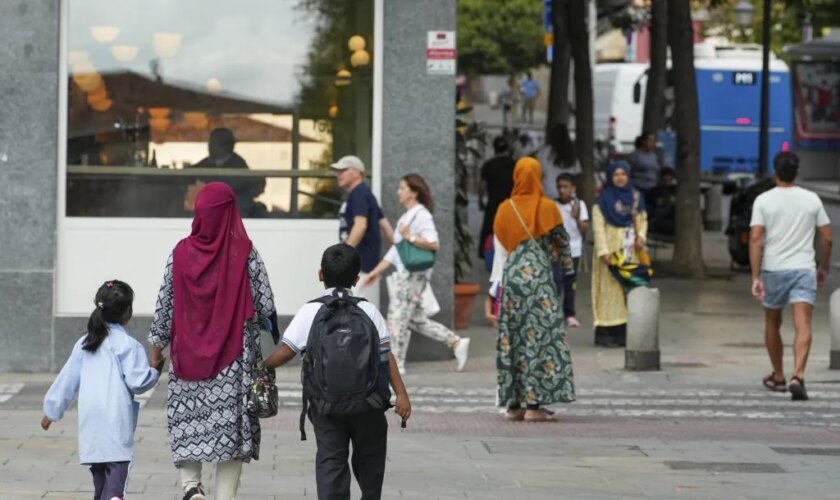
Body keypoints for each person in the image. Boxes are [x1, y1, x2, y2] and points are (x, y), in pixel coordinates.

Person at [148, 182, 276, 500]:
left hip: (186, 358)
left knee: (188, 420)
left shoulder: (180, 253)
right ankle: (224, 495)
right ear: (231, 212)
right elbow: (266, 306)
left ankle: (191, 487)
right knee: (230, 431)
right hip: (233, 359)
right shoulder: (246, 253)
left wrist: (155, 351)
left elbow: (164, 306)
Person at [264, 243, 411, 500]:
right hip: (370, 404)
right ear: (357, 278)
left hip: (325, 404)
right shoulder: (369, 310)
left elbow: (286, 351)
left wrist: (262, 366)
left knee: (331, 460)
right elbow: (386, 357)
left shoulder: (310, 311)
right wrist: (401, 394)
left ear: (320, 274)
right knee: (370, 461)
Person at [42, 280, 162, 500]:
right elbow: (139, 381)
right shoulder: (128, 345)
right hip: (115, 422)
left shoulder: (84, 343)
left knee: (100, 487)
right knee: (116, 487)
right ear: (128, 311)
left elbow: (67, 380)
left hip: (91, 425)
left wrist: (52, 411)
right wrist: (155, 369)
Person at [490, 157, 576, 422]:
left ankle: (514, 405)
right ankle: (534, 405)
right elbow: (562, 243)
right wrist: (568, 270)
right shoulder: (547, 207)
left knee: (513, 337)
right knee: (540, 339)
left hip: (513, 277)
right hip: (538, 280)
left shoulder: (504, 209)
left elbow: (502, 244)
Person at [364, 174, 471, 375]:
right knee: (415, 319)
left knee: (396, 318)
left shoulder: (421, 215)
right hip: (406, 275)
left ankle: (395, 366)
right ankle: (456, 342)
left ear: (413, 192)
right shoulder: (407, 216)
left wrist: (410, 237)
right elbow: (395, 251)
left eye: (402, 188)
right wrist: (376, 272)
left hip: (413, 276)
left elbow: (433, 243)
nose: (398, 192)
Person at [750, 152, 832, 401]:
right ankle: (798, 375)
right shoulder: (812, 199)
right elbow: (827, 237)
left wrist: (755, 276)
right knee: (803, 324)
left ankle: (778, 375)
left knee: (772, 323)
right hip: (803, 268)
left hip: (774, 269)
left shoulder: (763, 200)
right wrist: (823, 266)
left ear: (775, 172)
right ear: (796, 172)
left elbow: (755, 238)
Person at [591, 161, 648, 348]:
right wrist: (603, 251)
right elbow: (598, 229)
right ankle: (607, 334)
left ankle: (626, 334)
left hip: (631, 253)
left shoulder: (636, 198)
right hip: (610, 254)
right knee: (609, 293)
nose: (620, 178)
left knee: (628, 291)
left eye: (623, 173)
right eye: (616, 174)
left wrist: (641, 236)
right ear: (610, 177)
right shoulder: (602, 201)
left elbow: (642, 219)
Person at [332, 155, 394, 303]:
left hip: (359, 263)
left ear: (356, 172)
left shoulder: (359, 193)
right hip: (366, 264)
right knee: (361, 306)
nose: (338, 175)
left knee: (353, 306)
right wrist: (396, 251)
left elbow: (361, 225)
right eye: (337, 171)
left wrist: (344, 254)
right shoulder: (366, 193)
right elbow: (385, 225)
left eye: (342, 170)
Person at [189, 128, 267, 217]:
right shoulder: (206, 163)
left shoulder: (237, 164)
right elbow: (190, 173)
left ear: (224, 146)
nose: (209, 146)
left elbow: (251, 182)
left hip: (237, 212)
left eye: (213, 143)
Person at [554, 173, 590, 328]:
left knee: (570, 283)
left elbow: (585, 228)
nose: (562, 190)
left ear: (573, 188)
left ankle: (569, 314)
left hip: (573, 250)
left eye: (566, 187)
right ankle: (553, 313)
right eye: (559, 187)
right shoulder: (552, 205)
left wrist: (576, 217)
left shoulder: (579, 205)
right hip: (556, 251)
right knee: (555, 282)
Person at [478, 136, 516, 261]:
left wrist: (480, 201)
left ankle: (486, 252)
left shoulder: (488, 165)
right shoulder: (515, 164)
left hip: (493, 203)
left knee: (489, 229)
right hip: (512, 204)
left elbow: (482, 186)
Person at [537, 123, 580, 199]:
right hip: (568, 195)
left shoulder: (544, 152)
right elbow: (577, 173)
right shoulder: (571, 152)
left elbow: (539, 172)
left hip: (549, 193)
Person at [627, 132, 661, 203]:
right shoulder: (635, 155)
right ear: (644, 141)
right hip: (639, 187)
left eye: (654, 140)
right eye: (650, 140)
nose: (652, 143)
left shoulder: (654, 156)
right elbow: (629, 171)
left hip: (652, 188)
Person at [647, 167, 676, 237]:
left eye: (669, 180)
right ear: (660, 179)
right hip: (659, 220)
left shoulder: (676, 191)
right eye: (665, 180)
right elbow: (649, 208)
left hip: (672, 219)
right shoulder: (653, 192)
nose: (667, 183)